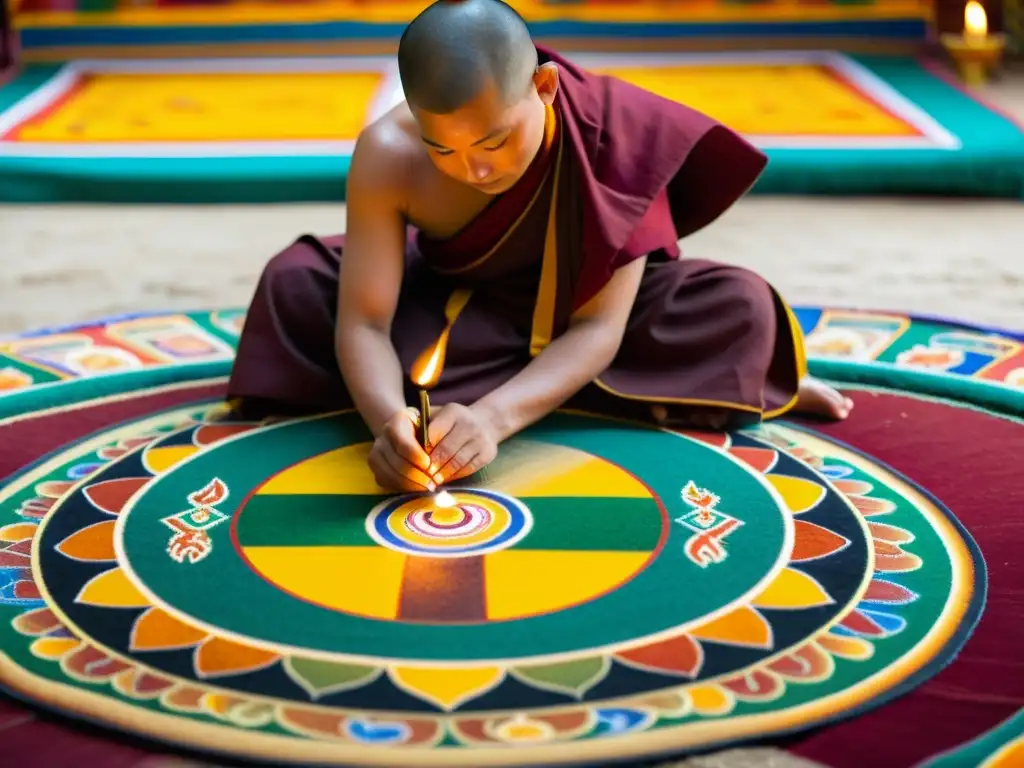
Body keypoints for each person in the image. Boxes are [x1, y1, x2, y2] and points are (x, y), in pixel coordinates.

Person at [227, 0, 853, 494]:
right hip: (452, 304)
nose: (472, 170)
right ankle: (674, 389)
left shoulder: (612, 135)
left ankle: (492, 399)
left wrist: (492, 421)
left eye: (494, 142)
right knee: (295, 283)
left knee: (738, 307)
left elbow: (599, 329)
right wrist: (388, 421)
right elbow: (365, 321)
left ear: (546, 87)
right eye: (443, 149)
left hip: (587, 319)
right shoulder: (388, 153)